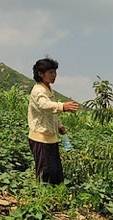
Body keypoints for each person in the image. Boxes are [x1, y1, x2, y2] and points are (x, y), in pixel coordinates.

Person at [27, 57, 78, 185]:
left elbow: (51, 113)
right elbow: (44, 106)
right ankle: (43, 199)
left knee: (56, 172)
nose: (54, 75)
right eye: (50, 72)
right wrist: (62, 106)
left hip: (50, 137)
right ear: (40, 74)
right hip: (40, 138)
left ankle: (57, 198)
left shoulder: (48, 88)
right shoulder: (38, 90)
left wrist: (59, 125)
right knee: (45, 172)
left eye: (55, 72)